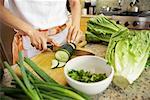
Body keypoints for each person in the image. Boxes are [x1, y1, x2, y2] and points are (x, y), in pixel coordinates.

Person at [0, 0, 86, 64]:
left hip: (64, 37)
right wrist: (30, 31)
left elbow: (74, 2)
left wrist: (76, 25)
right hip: (30, 41)